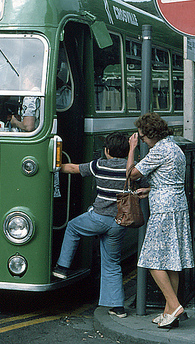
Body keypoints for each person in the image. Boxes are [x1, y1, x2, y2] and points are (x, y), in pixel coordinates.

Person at [51, 132, 130, 319]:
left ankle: (62, 267)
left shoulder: (100, 165)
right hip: (119, 223)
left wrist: (53, 164)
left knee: (72, 227)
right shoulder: (130, 169)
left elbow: (72, 168)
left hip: (99, 219)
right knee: (112, 263)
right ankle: (117, 307)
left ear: (107, 151)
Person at [126, 112, 194, 329]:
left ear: (152, 134)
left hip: (163, 210)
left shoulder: (159, 150)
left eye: (143, 137)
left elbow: (131, 174)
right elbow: (169, 179)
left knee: (151, 260)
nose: (143, 141)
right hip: (178, 206)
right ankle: (168, 312)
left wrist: (131, 149)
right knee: (172, 260)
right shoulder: (174, 148)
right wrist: (151, 188)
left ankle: (174, 306)